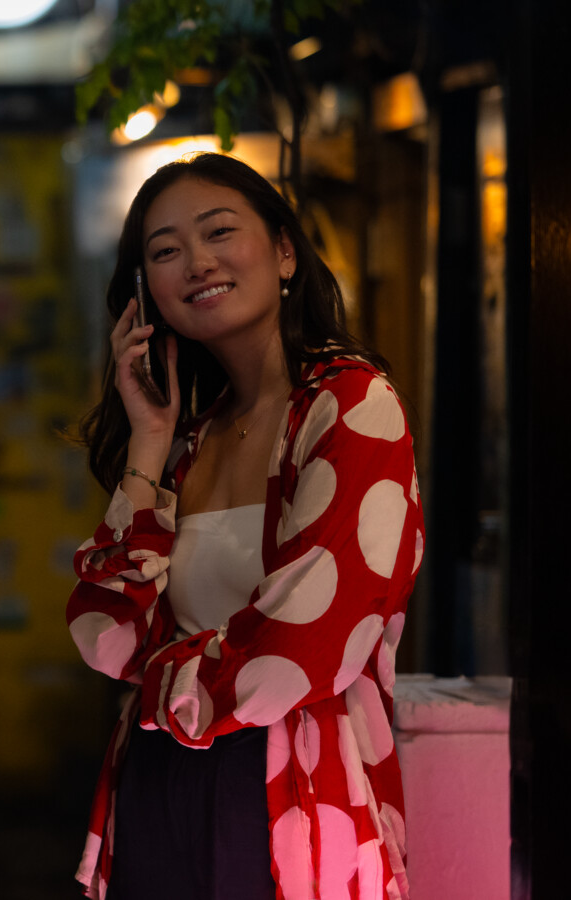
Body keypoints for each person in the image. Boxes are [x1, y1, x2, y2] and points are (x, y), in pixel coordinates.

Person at [67, 153, 423, 900]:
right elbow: (107, 632)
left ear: (285, 251)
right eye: (164, 252)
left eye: (219, 231)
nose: (197, 262)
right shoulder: (189, 439)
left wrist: (165, 682)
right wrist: (149, 442)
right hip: (160, 776)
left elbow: (305, 646)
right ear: (145, 293)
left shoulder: (352, 406)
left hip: (290, 779)